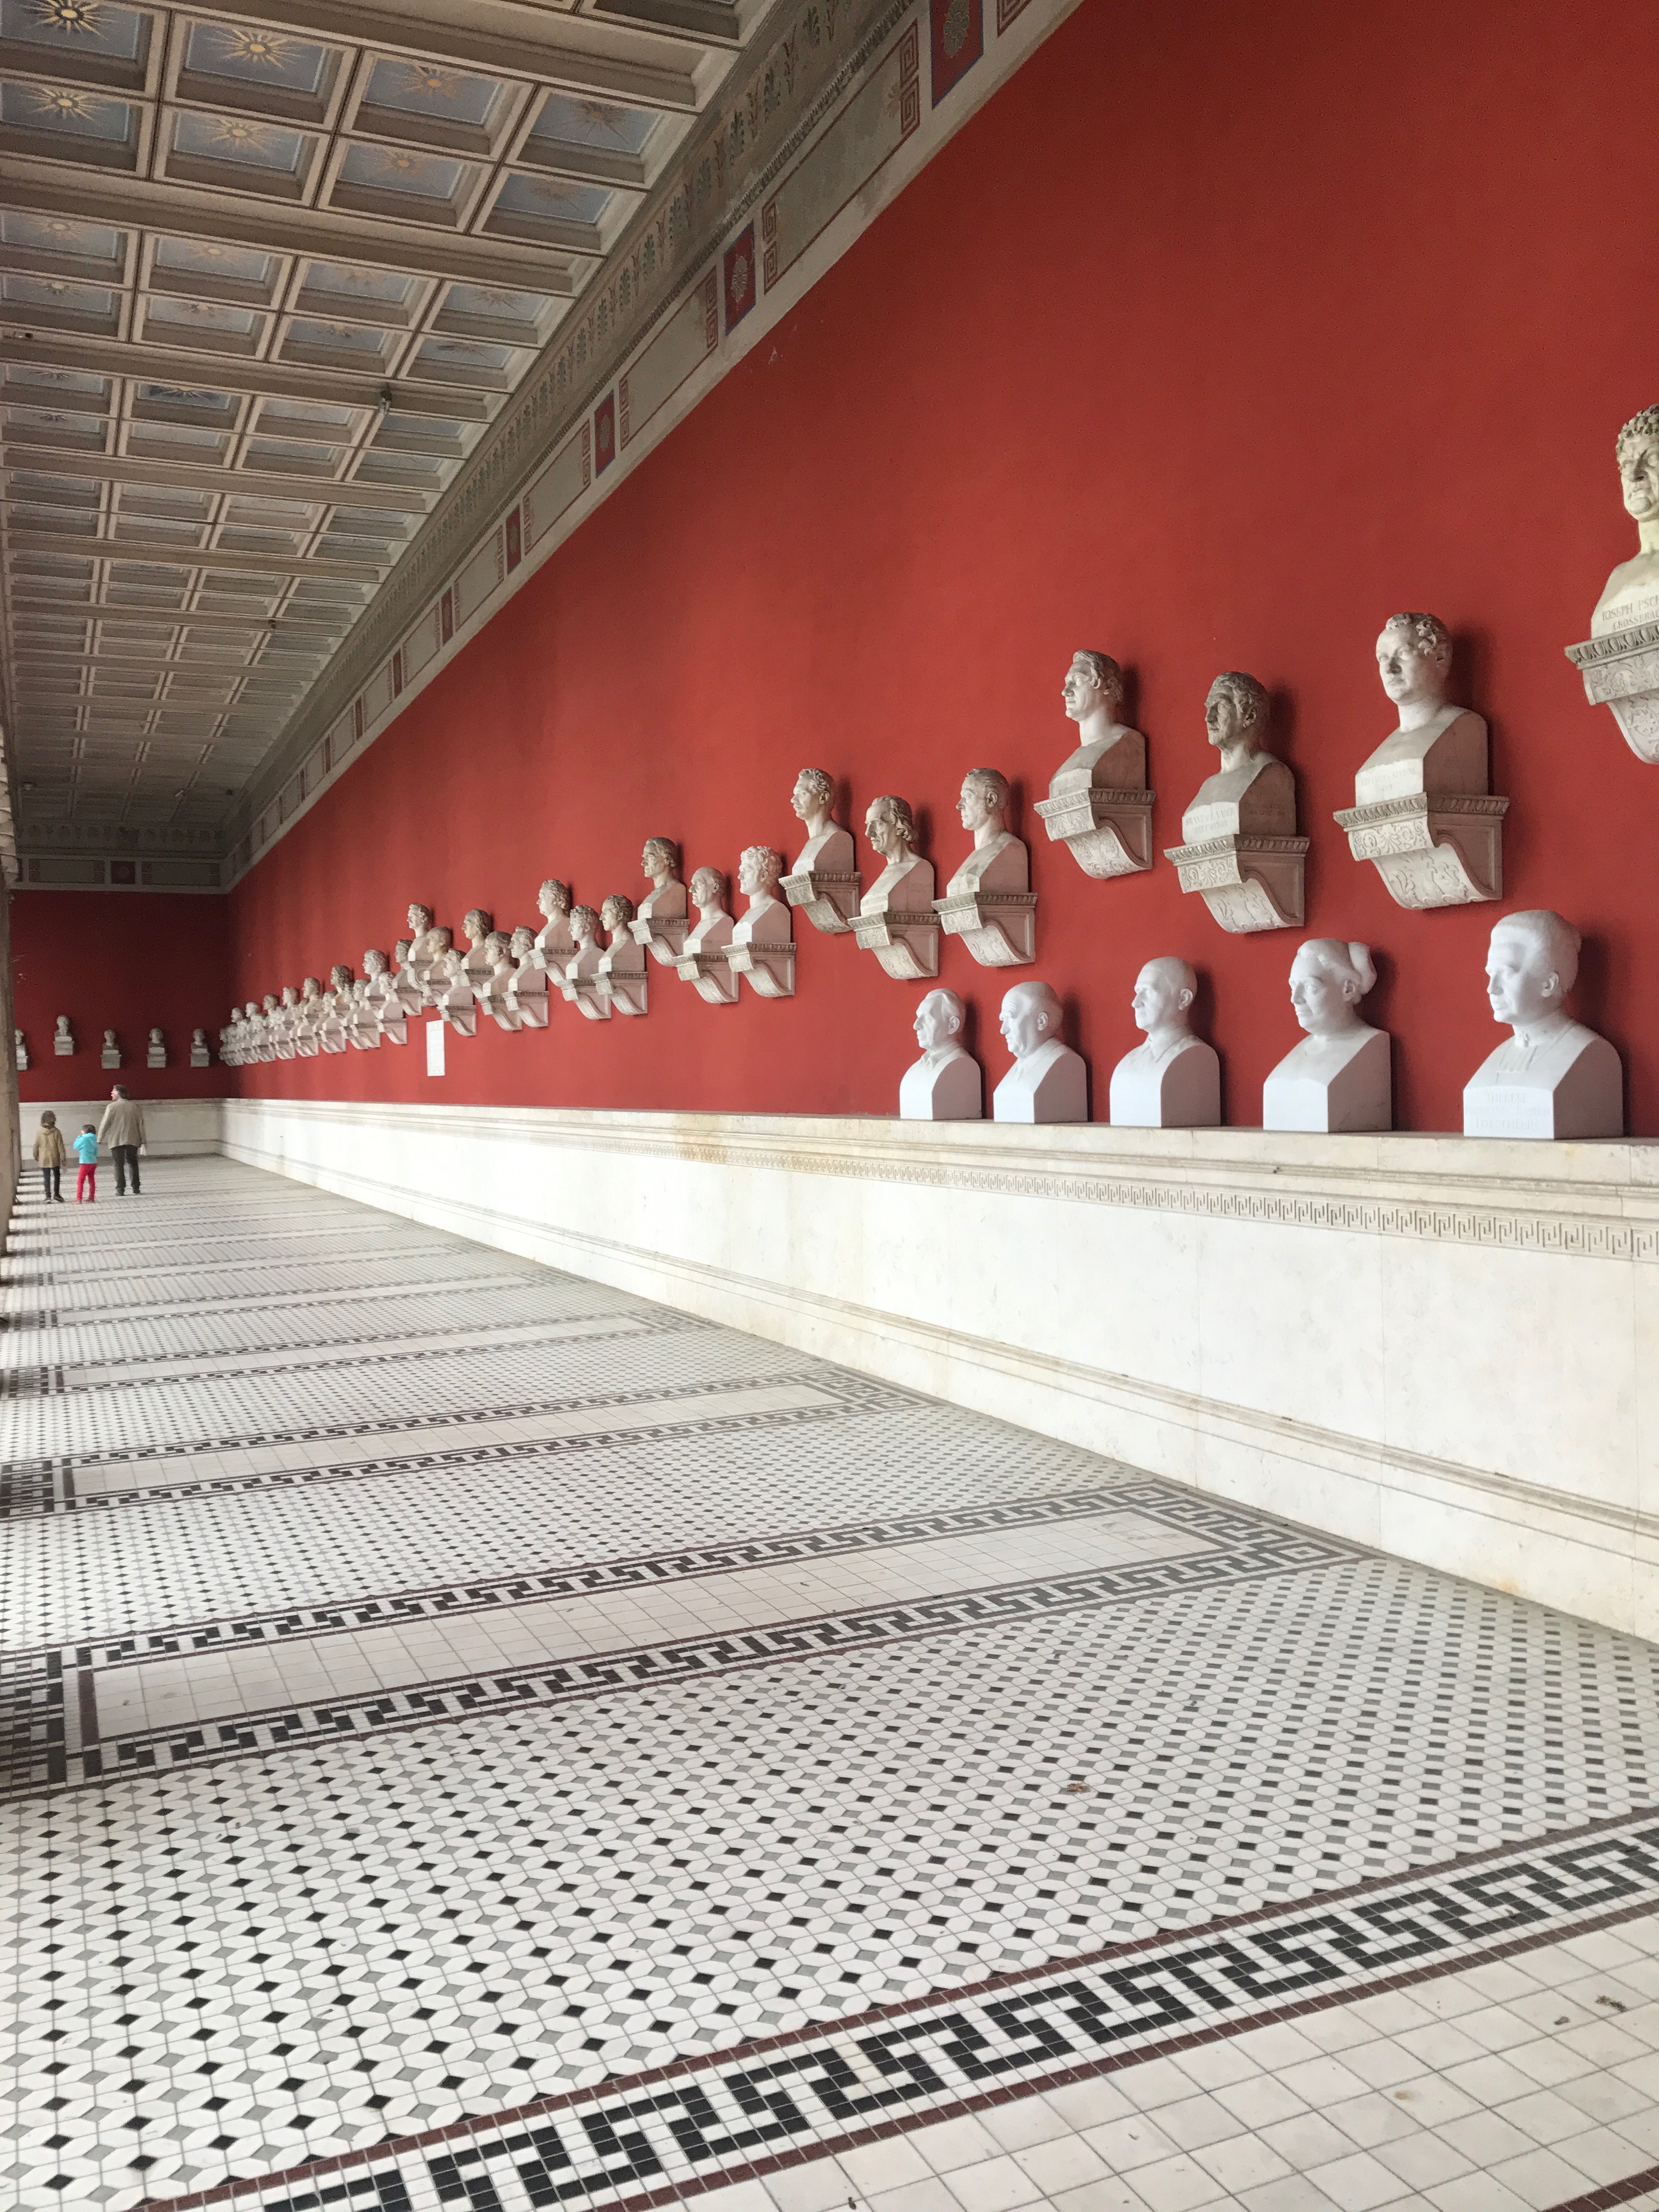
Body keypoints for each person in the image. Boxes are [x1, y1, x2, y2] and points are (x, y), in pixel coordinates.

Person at [98, 1084, 147, 1195]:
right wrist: (143, 1140)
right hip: (132, 1139)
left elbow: (105, 1123)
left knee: (118, 1164)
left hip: (116, 1140)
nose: (111, 1093)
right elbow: (141, 1124)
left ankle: (120, 1189)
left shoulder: (111, 1107)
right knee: (133, 1163)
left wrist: (100, 1137)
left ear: (119, 1093)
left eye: (113, 1092)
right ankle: (136, 1187)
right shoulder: (135, 1106)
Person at [32, 1112, 66, 1202]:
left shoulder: (40, 1131)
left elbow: (36, 1145)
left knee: (46, 1177)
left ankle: (48, 1196)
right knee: (57, 1176)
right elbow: (60, 1146)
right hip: (55, 1157)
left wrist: (35, 1155)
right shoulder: (57, 1131)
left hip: (44, 1158)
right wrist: (63, 1158)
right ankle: (57, 1194)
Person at [72, 1122, 98, 1203]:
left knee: (81, 1180)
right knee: (91, 1180)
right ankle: (92, 1197)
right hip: (93, 1162)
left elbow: (75, 1146)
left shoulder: (83, 1139)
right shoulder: (94, 1139)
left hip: (85, 1162)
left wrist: (79, 1138)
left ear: (85, 1131)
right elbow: (96, 1152)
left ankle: (79, 1199)